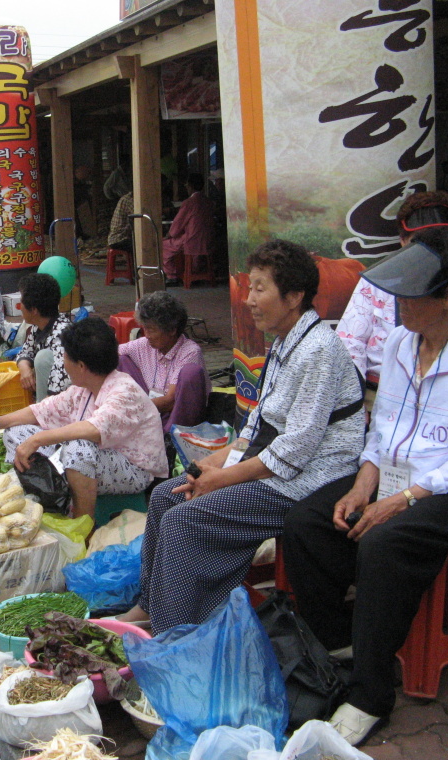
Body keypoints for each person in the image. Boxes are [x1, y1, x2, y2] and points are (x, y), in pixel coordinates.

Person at [282, 227, 448, 747]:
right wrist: (364, 484)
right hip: (396, 479)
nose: (398, 304)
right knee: (308, 521)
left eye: (412, 294)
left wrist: (400, 501)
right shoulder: (404, 347)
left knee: (384, 542)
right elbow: (382, 432)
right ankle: (343, 642)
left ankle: (369, 694)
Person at [122, 239, 365, 633]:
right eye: (249, 287)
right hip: (276, 465)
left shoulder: (319, 349)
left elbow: (294, 450)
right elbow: (256, 424)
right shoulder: (285, 341)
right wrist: (210, 466)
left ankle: (178, 631)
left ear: (294, 296)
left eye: (259, 288)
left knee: (185, 520)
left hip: (312, 479)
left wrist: (222, 479)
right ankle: (151, 605)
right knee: (166, 496)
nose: (248, 299)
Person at [0, 317, 167, 519]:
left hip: (133, 470)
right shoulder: (84, 389)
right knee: (16, 432)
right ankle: (46, 496)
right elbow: (42, 410)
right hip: (97, 457)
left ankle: (81, 526)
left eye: (65, 356)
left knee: (78, 448)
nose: (62, 361)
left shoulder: (124, 391)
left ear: (81, 366)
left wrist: (37, 440)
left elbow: (94, 429)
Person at [337, 191, 448, 408]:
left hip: (443, 396)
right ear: (403, 241)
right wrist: (353, 405)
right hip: (375, 395)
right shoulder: (376, 281)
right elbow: (349, 343)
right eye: (420, 243)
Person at [118, 292, 210, 431]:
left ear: (172, 330)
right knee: (120, 360)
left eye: (152, 330)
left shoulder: (190, 352)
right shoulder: (144, 344)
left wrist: (130, 410)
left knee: (191, 372)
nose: (147, 335)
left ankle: (169, 438)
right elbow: (110, 354)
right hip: (151, 409)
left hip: (177, 416)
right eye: (145, 329)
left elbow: (170, 401)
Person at [16, 273, 71, 400]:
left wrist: (40, 411)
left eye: (21, 302)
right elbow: (26, 351)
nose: (20, 307)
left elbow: (61, 383)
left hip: (63, 400)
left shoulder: (62, 334)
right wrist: (24, 366)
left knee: (42, 357)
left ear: (34, 310)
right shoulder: (38, 326)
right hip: (51, 397)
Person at [162, 172, 214, 282]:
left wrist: (169, 235)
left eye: (186, 184)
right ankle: (193, 271)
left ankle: (172, 275)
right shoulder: (208, 201)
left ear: (190, 186)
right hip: (207, 240)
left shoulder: (189, 202)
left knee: (163, 245)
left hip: (191, 239)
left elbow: (177, 224)